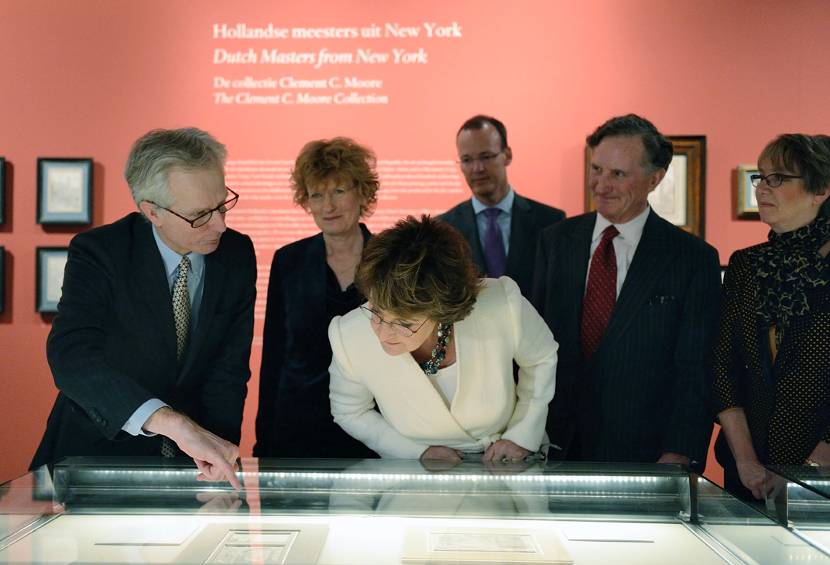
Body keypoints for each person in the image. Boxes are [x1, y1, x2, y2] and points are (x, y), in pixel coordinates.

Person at [30, 127, 255, 488]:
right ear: (153, 211)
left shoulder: (237, 254)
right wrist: (172, 422)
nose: (220, 224)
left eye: (222, 204)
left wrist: (217, 457)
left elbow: (227, 371)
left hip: (195, 467)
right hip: (96, 459)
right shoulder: (100, 252)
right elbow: (71, 355)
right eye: (200, 214)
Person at [533, 114, 721, 470]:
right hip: (553, 447)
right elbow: (529, 350)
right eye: (596, 169)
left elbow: (695, 368)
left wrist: (680, 450)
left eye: (618, 174)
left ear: (655, 178)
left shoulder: (692, 259)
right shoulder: (554, 242)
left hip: (646, 456)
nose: (601, 185)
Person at [329, 215, 557, 462]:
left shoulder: (501, 303)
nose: (383, 333)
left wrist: (521, 434)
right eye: (376, 313)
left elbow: (541, 358)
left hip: (509, 462)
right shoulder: (350, 335)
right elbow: (349, 411)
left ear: (442, 310)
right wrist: (415, 454)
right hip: (417, 480)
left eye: (405, 323)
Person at [713, 134, 830, 500]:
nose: (762, 188)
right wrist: (746, 460)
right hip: (749, 473)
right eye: (761, 177)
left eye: (777, 178)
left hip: (822, 475)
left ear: (821, 188)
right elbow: (722, 364)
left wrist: (812, 467)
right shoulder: (746, 264)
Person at [254, 137, 380, 458]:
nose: (328, 206)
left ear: (362, 192)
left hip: (374, 428)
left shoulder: (391, 259)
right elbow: (274, 356)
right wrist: (264, 442)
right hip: (296, 430)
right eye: (317, 195)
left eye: (339, 191)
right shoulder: (289, 261)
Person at [440, 115, 565, 298]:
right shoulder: (444, 229)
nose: (477, 168)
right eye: (467, 160)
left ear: (507, 155)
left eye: (486, 156)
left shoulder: (550, 221)